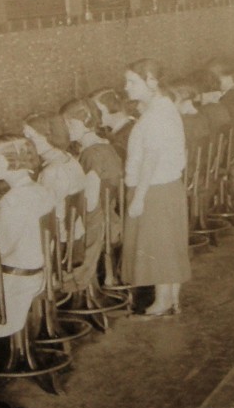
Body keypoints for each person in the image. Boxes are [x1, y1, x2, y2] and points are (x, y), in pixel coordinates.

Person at [121, 58, 191, 317]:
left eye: (132, 82)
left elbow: (150, 158)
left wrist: (138, 198)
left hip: (153, 189)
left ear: (152, 80)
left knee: (158, 247)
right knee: (169, 245)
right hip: (167, 185)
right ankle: (171, 299)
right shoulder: (165, 108)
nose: (126, 87)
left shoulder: (155, 115)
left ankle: (161, 303)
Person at [0, 135, 54, 340]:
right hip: (35, 277)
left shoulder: (12, 201)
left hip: (9, 290)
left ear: (13, 161)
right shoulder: (39, 190)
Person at [60, 97, 125, 290]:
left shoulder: (91, 154)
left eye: (70, 123)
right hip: (110, 220)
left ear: (87, 120)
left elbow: (89, 203)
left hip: (95, 228)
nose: (67, 129)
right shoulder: (106, 146)